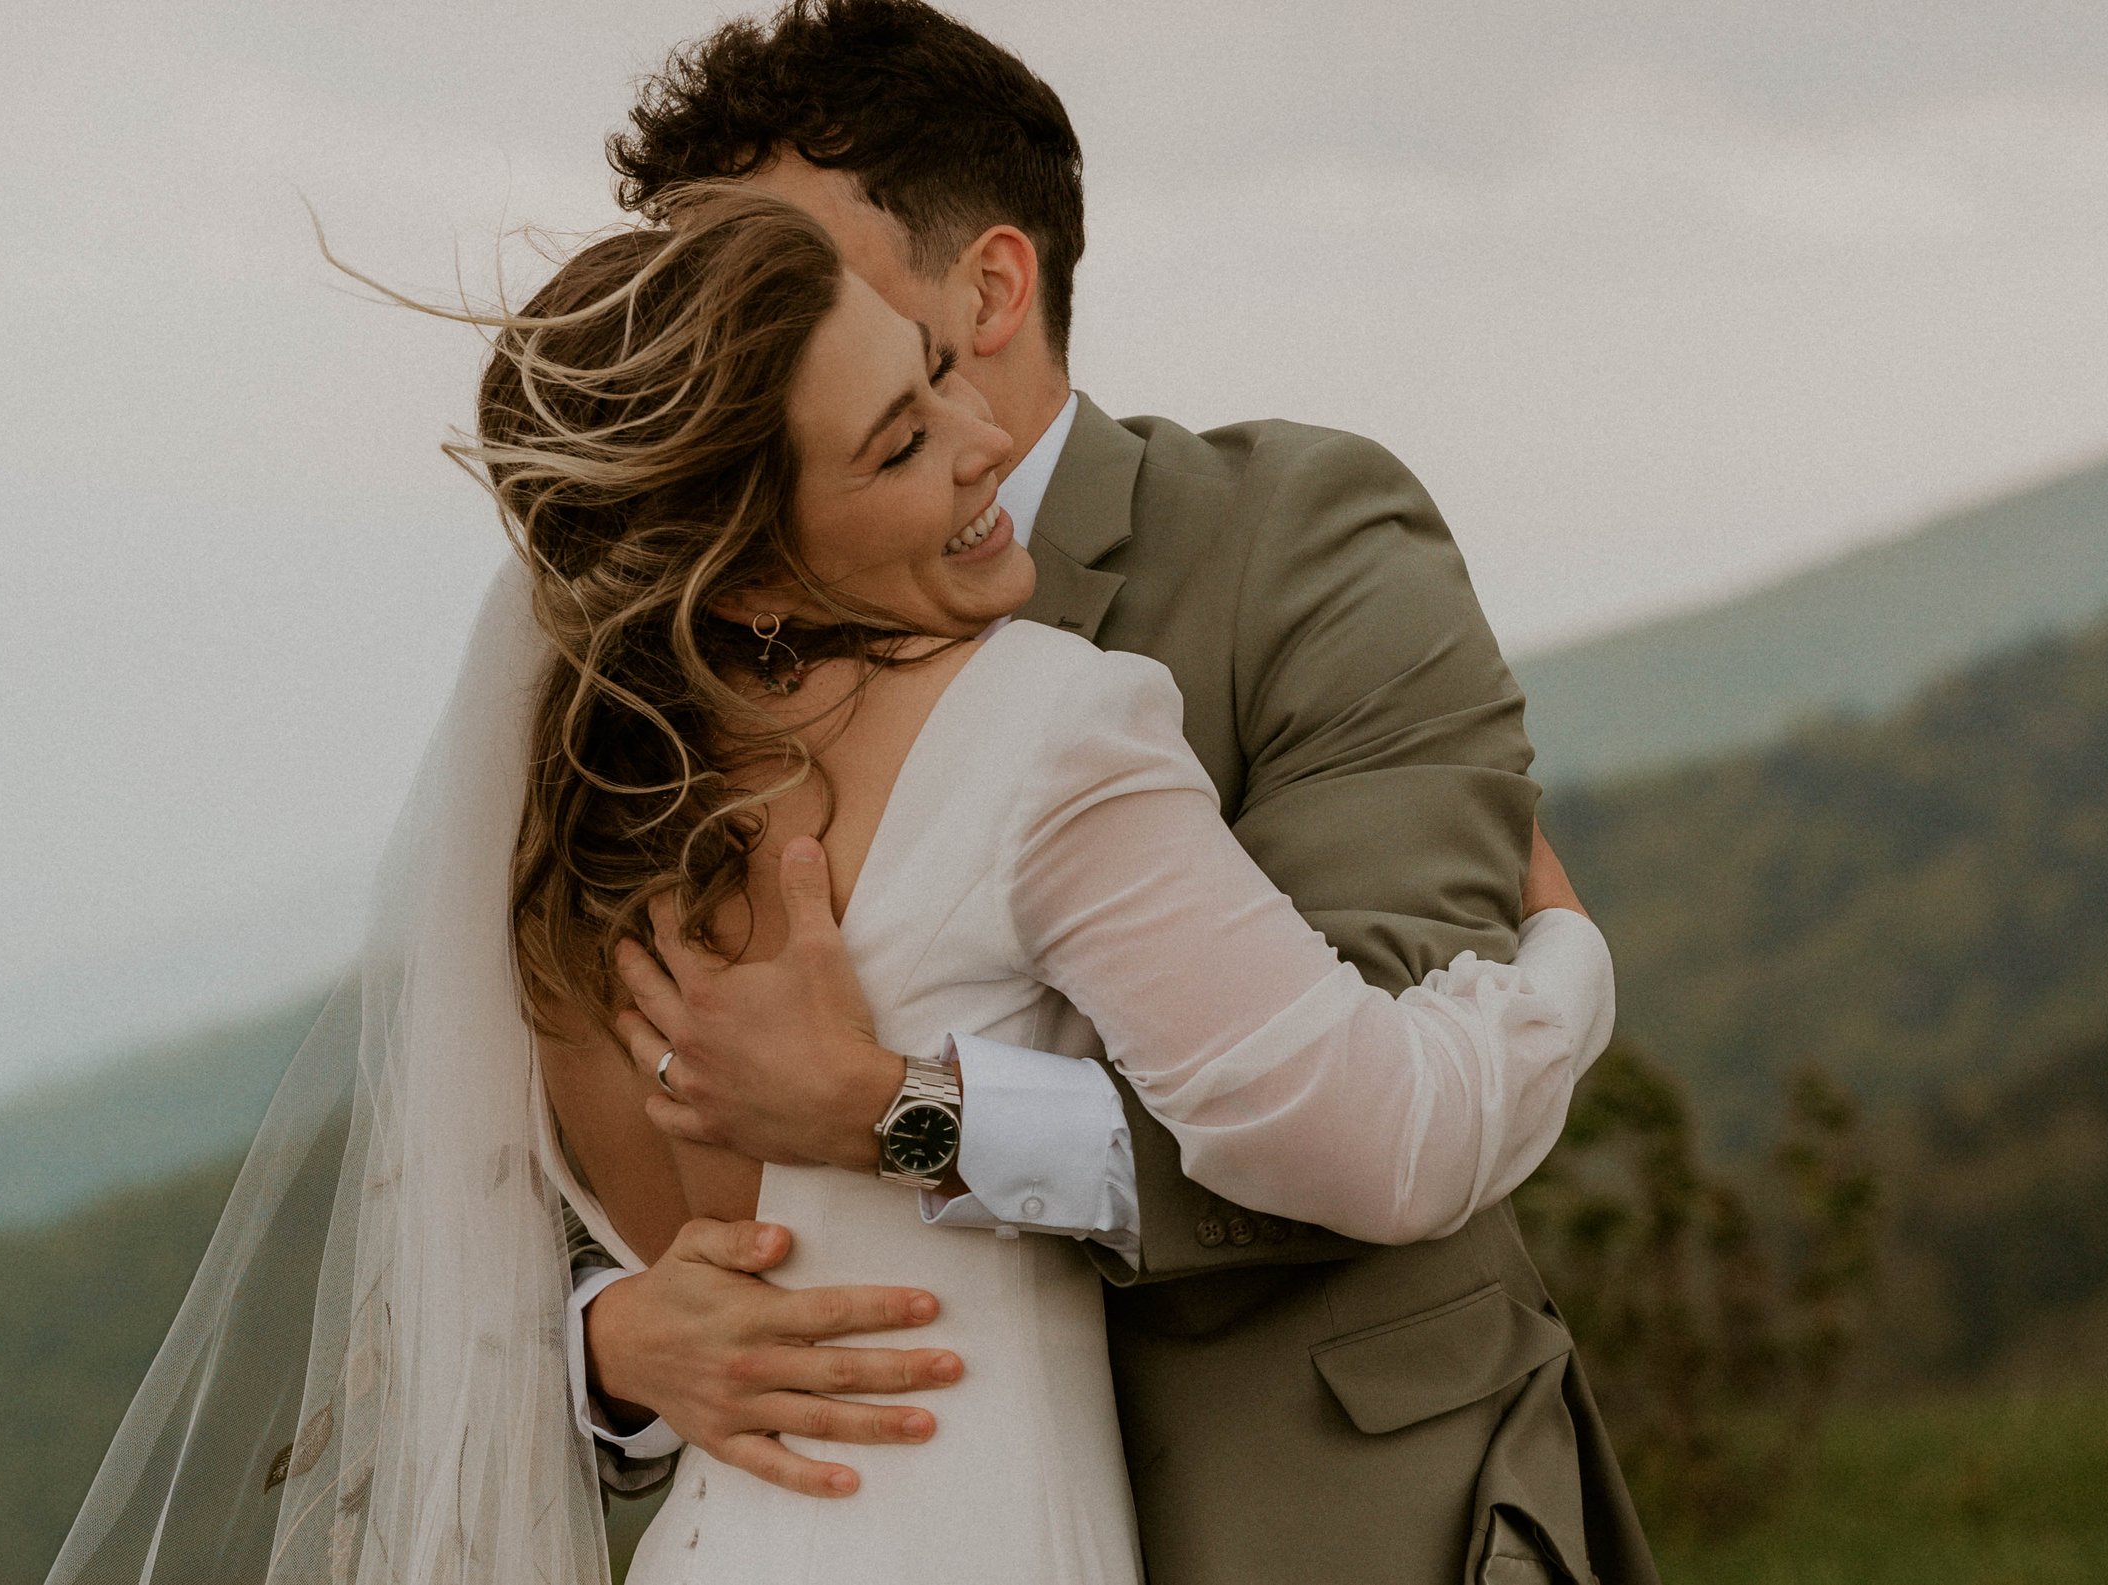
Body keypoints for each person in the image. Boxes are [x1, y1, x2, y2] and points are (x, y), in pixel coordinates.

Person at [556, 6, 1660, 1584]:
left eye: (778, 264)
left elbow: (1358, 1097)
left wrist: (899, 1114)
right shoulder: (636, 701)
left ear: (991, 288)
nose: (716, 324)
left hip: (1325, 1521)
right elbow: (520, 1211)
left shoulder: (1303, 543)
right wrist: (616, 1344)